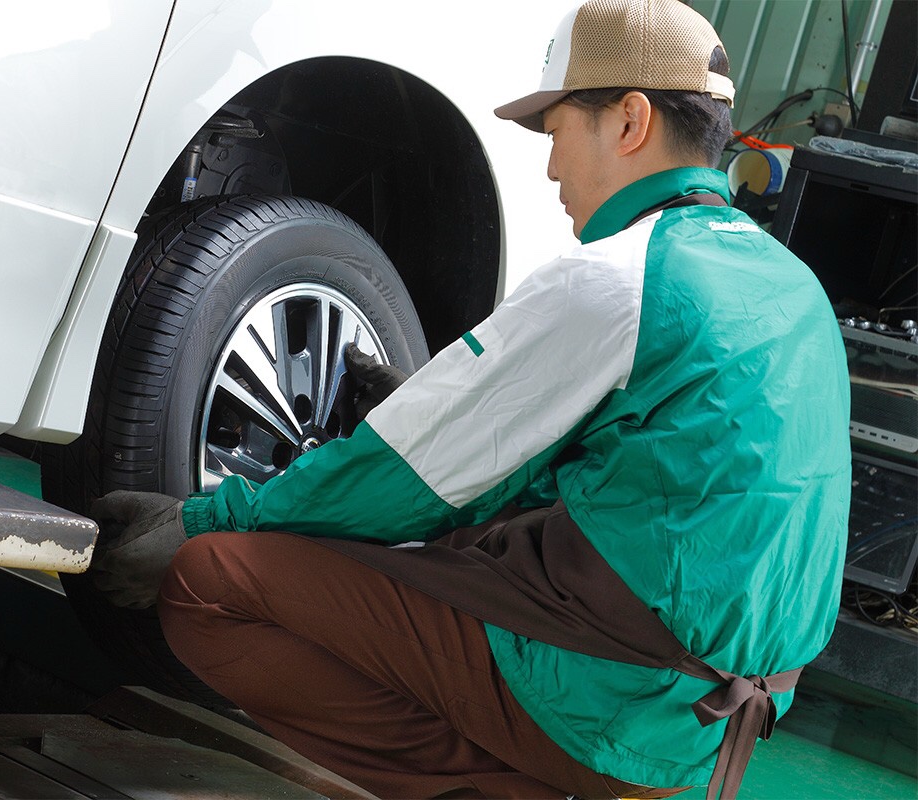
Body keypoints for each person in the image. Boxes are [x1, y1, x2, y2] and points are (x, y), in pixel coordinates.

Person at [86, 1, 851, 798]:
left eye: (556, 132)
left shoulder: (622, 276)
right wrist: (443, 410)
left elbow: (403, 482)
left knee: (212, 579)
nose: (552, 170)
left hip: (613, 708)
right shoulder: (789, 287)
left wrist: (207, 518)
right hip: (717, 727)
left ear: (628, 121)